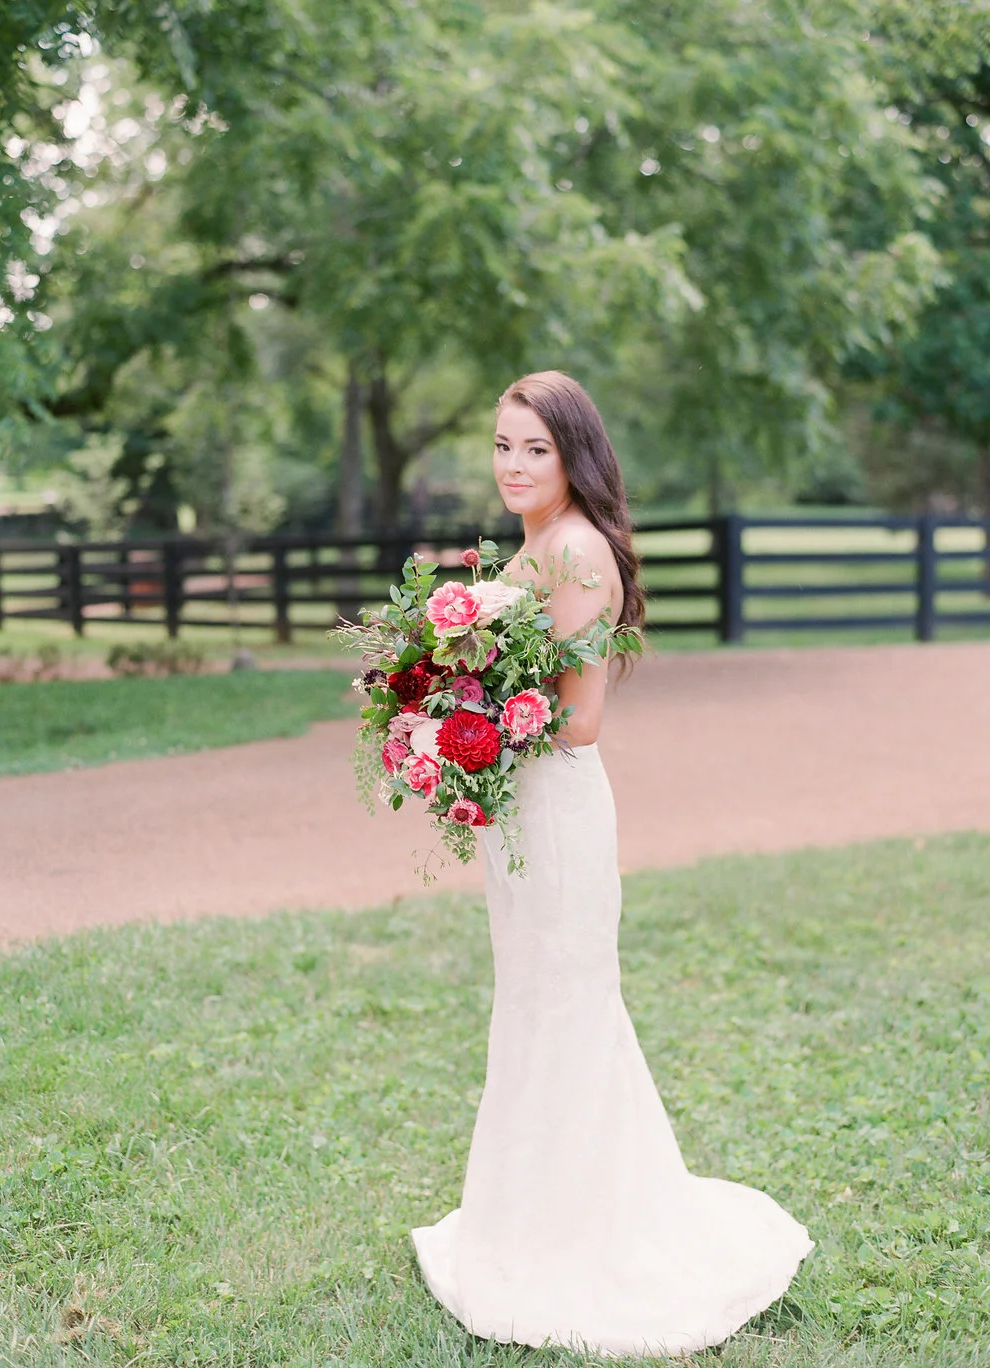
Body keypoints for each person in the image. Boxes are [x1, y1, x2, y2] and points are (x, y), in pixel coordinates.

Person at [411, 371, 813, 1357]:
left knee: (566, 1005)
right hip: (521, 807)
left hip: (555, 809)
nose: (512, 466)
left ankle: (581, 1242)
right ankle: (527, 1219)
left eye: (534, 450)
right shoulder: (532, 543)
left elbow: (580, 719)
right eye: (502, 446)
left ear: (573, 455)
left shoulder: (580, 550)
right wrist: (432, 709)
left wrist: (473, 727)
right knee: (536, 1004)